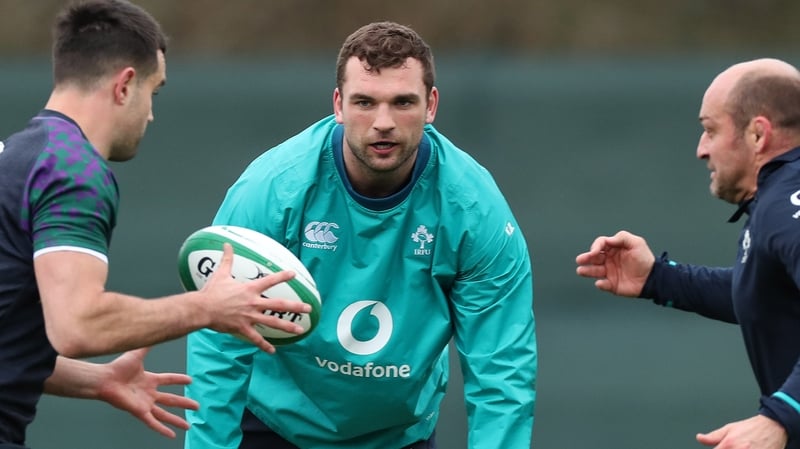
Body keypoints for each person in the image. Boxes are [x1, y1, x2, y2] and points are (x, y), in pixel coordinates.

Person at [185, 21, 537, 449]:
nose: (383, 122)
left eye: (403, 102)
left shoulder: (474, 209)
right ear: (339, 104)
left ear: (431, 106)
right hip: (272, 423)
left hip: (398, 436)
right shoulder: (272, 190)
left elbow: (501, 371)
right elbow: (220, 340)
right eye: (365, 102)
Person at [0, 1, 311, 448]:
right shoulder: (73, 171)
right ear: (125, 85)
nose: (150, 114)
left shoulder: (19, 156)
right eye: (154, 91)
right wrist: (208, 308)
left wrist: (98, 381)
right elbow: (77, 324)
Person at [575, 58, 800, 449]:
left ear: (757, 134)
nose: (701, 150)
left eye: (710, 130)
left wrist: (782, 415)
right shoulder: (779, 196)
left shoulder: (784, 205)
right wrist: (659, 278)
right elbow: (768, 296)